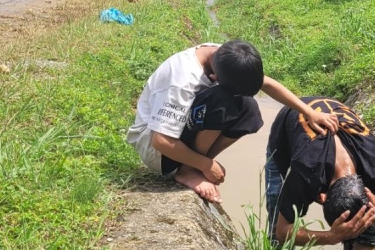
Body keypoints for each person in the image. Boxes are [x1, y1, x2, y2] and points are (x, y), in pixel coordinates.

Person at [126, 41, 339, 203]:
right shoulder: (181, 81)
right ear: (215, 78)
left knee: (250, 110)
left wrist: (309, 111)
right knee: (223, 101)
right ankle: (187, 170)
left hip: (180, 132)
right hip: (158, 152)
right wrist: (206, 164)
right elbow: (160, 140)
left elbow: (267, 83)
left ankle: (193, 164)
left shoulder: (225, 56)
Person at [265, 97, 375, 250]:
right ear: (322, 197)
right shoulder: (307, 170)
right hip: (288, 124)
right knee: (276, 200)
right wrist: (331, 237)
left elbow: (370, 230)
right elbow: (282, 231)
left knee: (366, 220)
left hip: (332, 116)